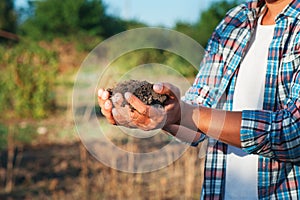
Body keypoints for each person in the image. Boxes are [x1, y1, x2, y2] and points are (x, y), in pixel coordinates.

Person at [98, 0, 300, 199]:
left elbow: (293, 134)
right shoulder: (235, 21)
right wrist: (163, 116)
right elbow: (199, 118)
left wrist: (187, 112)